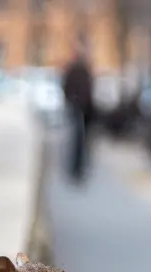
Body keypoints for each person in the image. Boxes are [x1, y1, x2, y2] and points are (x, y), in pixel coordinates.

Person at [61, 49, 95, 182]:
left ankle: (78, 168)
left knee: (80, 141)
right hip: (79, 110)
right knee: (78, 141)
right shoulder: (78, 72)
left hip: (83, 110)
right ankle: (76, 169)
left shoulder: (80, 72)